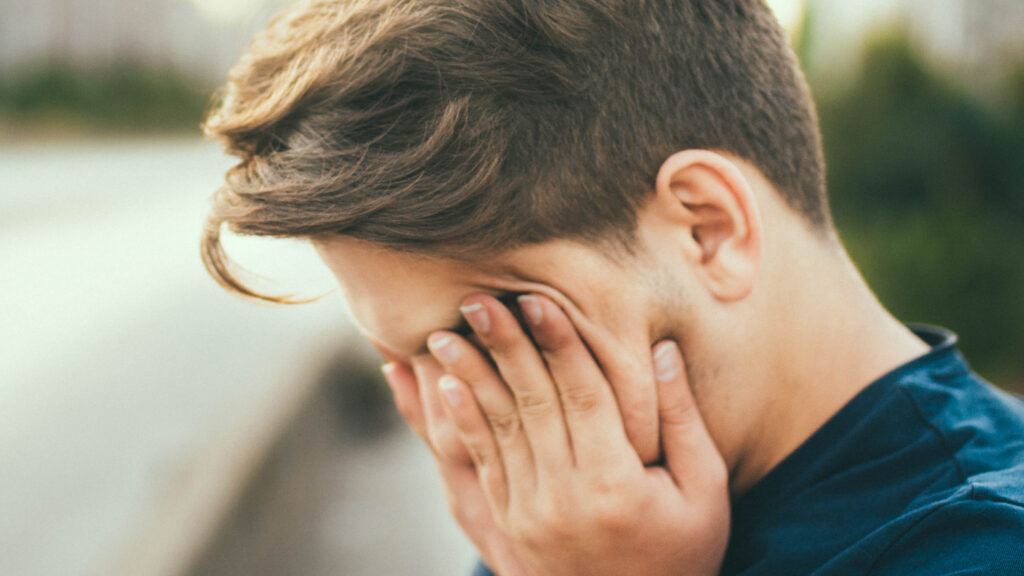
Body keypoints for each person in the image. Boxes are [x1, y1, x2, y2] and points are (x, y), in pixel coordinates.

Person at [198, 0, 1024, 574]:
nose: (454, 421)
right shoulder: (587, 527)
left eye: (485, 335)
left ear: (708, 230)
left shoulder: (983, 549)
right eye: (409, 361)